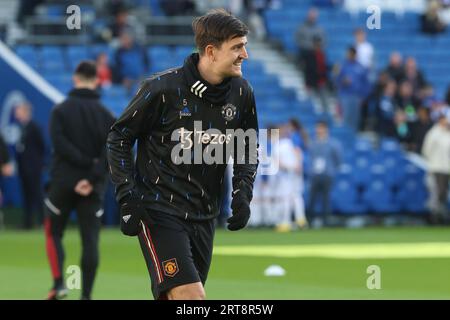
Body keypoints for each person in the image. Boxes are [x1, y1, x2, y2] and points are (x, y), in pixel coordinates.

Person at [106, 9, 258, 300]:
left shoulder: (242, 92)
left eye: (245, 45)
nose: (245, 55)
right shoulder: (162, 89)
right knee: (192, 298)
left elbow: (247, 146)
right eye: (237, 47)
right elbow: (119, 137)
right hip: (159, 211)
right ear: (211, 51)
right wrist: (127, 197)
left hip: (205, 215)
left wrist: (242, 192)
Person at [44, 61, 115, 300]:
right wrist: (91, 176)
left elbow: (60, 145)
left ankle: (59, 284)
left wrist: (78, 173)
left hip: (63, 182)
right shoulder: (107, 116)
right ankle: (86, 296)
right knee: (90, 241)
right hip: (92, 186)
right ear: (96, 80)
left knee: (53, 232)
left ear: (75, 79)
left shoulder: (60, 111)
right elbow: (112, 152)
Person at [14, 101, 46, 229]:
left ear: (25, 112)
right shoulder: (21, 127)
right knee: (26, 195)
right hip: (23, 168)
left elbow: (42, 146)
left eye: (19, 111)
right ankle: (28, 223)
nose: (16, 114)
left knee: (37, 194)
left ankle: (43, 221)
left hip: (33, 168)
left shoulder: (34, 127)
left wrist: (39, 163)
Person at [307, 120, 341, 227]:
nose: (319, 130)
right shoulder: (313, 143)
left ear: (326, 129)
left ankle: (326, 221)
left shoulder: (333, 143)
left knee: (326, 198)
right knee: (312, 198)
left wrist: (332, 169)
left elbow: (338, 159)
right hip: (315, 174)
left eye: (321, 128)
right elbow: (310, 157)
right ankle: (310, 221)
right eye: (318, 128)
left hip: (327, 174)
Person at [421, 109, 450, 223]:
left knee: (443, 194)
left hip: (446, 168)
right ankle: (434, 218)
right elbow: (426, 150)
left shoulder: (447, 133)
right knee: (436, 194)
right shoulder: (433, 133)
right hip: (436, 167)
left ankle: (441, 216)